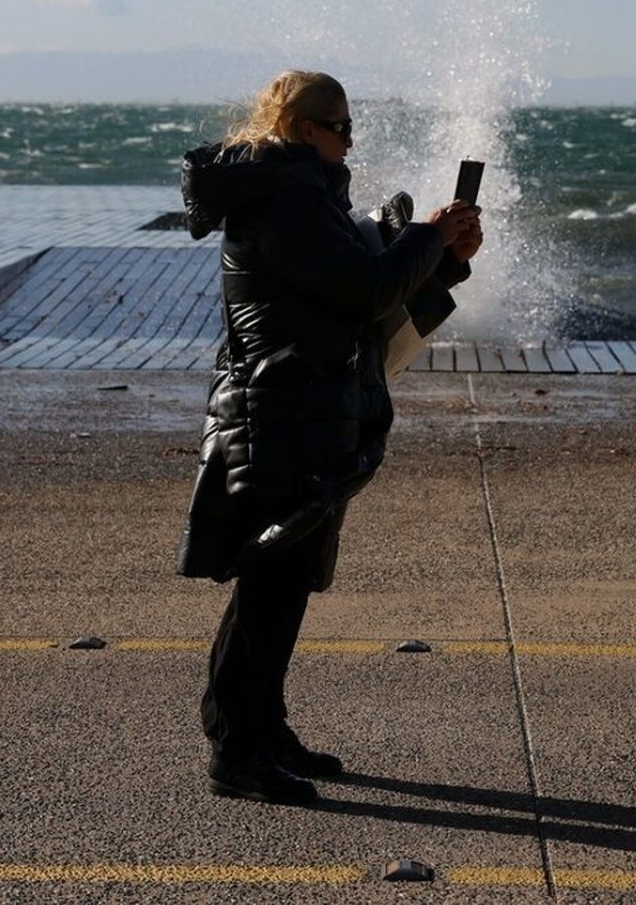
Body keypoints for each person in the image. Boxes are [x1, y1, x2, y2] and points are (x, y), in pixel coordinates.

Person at [175, 70, 482, 804]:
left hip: (303, 405)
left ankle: (259, 725)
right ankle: (235, 750)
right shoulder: (284, 197)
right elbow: (365, 289)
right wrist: (427, 235)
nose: (349, 139)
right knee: (271, 581)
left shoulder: (302, 192)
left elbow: (360, 297)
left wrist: (447, 258)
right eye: (341, 127)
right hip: (278, 409)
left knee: (284, 578)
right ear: (305, 128)